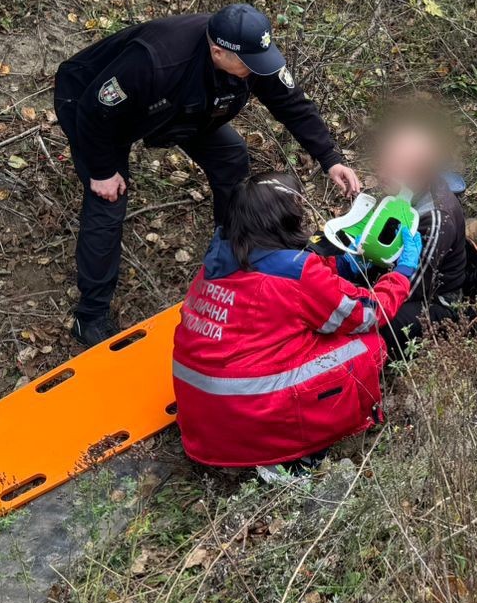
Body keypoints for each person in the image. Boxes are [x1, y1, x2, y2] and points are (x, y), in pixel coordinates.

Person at [54, 3, 362, 346]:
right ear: (218, 51)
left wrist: (330, 158)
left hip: (180, 108)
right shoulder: (155, 59)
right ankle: (91, 317)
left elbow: (293, 104)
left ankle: (233, 254)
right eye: (249, 65)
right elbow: (95, 110)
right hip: (94, 109)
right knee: (108, 202)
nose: (257, 69)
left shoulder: (250, 55)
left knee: (231, 156)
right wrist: (102, 170)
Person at [172, 172, 422, 471]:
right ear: (284, 217)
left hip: (204, 423)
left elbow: (291, 278)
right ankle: (297, 454)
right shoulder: (295, 274)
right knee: (365, 345)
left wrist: (340, 261)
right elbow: (366, 314)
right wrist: (402, 273)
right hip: (250, 413)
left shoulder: (218, 260)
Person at [371, 119, 469, 355]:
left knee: (373, 324)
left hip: (434, 301)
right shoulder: (403, 191)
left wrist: (362, 295)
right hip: (398, 274)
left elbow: (411, 288)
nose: (382, 171)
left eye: (395, 165)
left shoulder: (435, 218)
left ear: (420, 172)